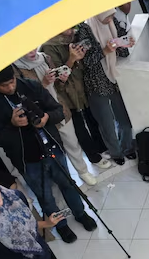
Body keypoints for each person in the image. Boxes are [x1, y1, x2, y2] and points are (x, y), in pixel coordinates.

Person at [0, 66, 98, 243]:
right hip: (27, 159)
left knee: (68, 184)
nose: (11, 87)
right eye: (5, 85)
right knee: (45, 196)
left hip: (52, 148)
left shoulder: (30, 86)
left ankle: (80, 213)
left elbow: (58, 111)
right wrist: (13, 125)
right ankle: (61, 226)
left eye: (12, 81)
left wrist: (46, 118)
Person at [12, 50, 99, 186]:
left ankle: (83, 171)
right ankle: (66, 180)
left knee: (72, 142)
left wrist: (61, 80)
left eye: (33, 47)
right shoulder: (17, 69)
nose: (32, 51)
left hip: (60, 108)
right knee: (54, 151)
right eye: (27, 49)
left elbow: (58, 87)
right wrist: (44, 83)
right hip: (41, 116)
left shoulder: (45, 58)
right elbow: (23, 97)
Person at [41, 29, 112, 171]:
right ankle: (93, 157)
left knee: (91, 118)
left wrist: (80, 57)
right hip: (66, 93)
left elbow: (82, 65)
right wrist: (72, 59)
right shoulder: (49, 46)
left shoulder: (73, 37)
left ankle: (101, 148)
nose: (70, 28)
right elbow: (57, 78)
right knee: (79, 126)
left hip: (81, 86)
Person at [79, 11, 137, 165]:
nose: (110, 19)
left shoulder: (113, 23)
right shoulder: (85, 29)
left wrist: (126, 44)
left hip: (114, 76)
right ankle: (115, 152)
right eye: (107, 16)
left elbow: (122, 52)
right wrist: (105, 50)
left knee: (124, 117)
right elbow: (85, 62)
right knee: (106, 122)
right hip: (96, 81)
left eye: (112, 15)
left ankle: (128, 147)